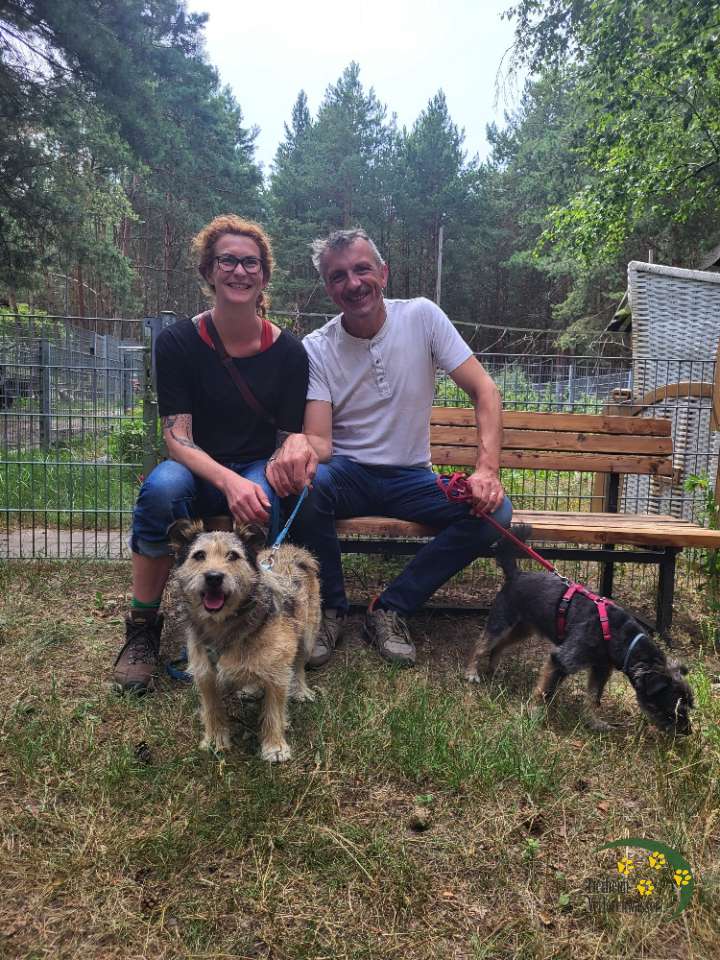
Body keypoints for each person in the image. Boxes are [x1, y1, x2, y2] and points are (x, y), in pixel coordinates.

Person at [267, 227, 512, 669]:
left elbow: (486, 391)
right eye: (338, 276)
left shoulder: (422, 317)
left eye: (362, 269)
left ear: (383, 272)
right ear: (328, 288)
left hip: (412, 477)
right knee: (309, 486)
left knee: (496, 512)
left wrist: (486, 471)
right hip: (348, 474)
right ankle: (330, 609)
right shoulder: (316, 348)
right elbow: (322, 444)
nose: (353, 283)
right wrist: (298, 443)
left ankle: (390, 607)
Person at [112, 216, 309, 693]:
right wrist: (228, 480)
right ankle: (142, 627)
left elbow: (286, 439)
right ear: (208, 271)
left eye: (251, 263)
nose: (239, 271)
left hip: (258, 463)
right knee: (160, 490)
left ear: (264, 275)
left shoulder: (289, 352)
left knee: (262, 496)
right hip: (195, 464)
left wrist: (284, 458)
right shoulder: (178, 343)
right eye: (228, 261)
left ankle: (253, 623)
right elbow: (176, 438)